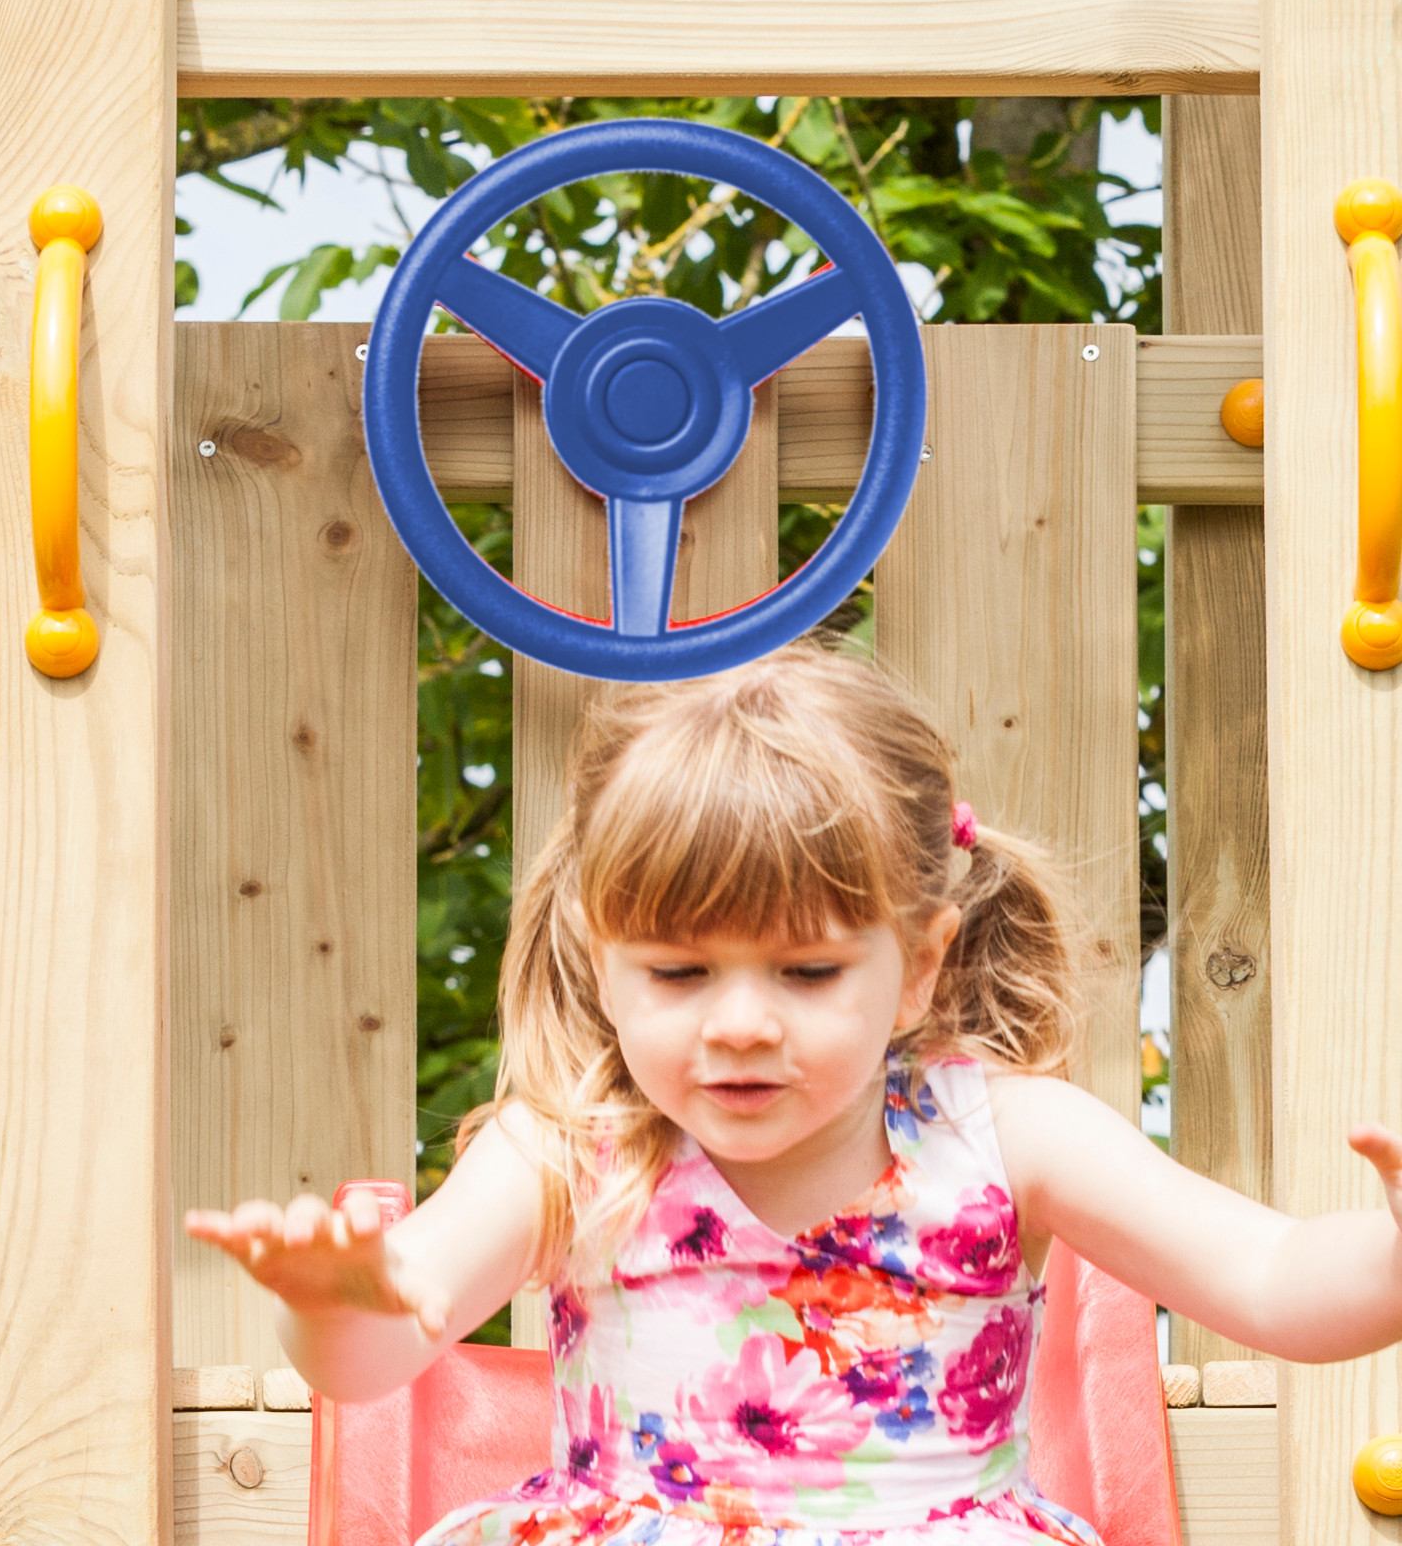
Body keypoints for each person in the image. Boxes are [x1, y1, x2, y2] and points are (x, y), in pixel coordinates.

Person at [187, 642, 1402, 1542]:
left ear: (919, 963)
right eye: (676, 971)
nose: (742, 1022)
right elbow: (379, 1349)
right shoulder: (565, 1151)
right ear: (602, 959)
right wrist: (337, 1301)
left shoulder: (1010, 1139)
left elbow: (1276, 1283)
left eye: (809, 969)